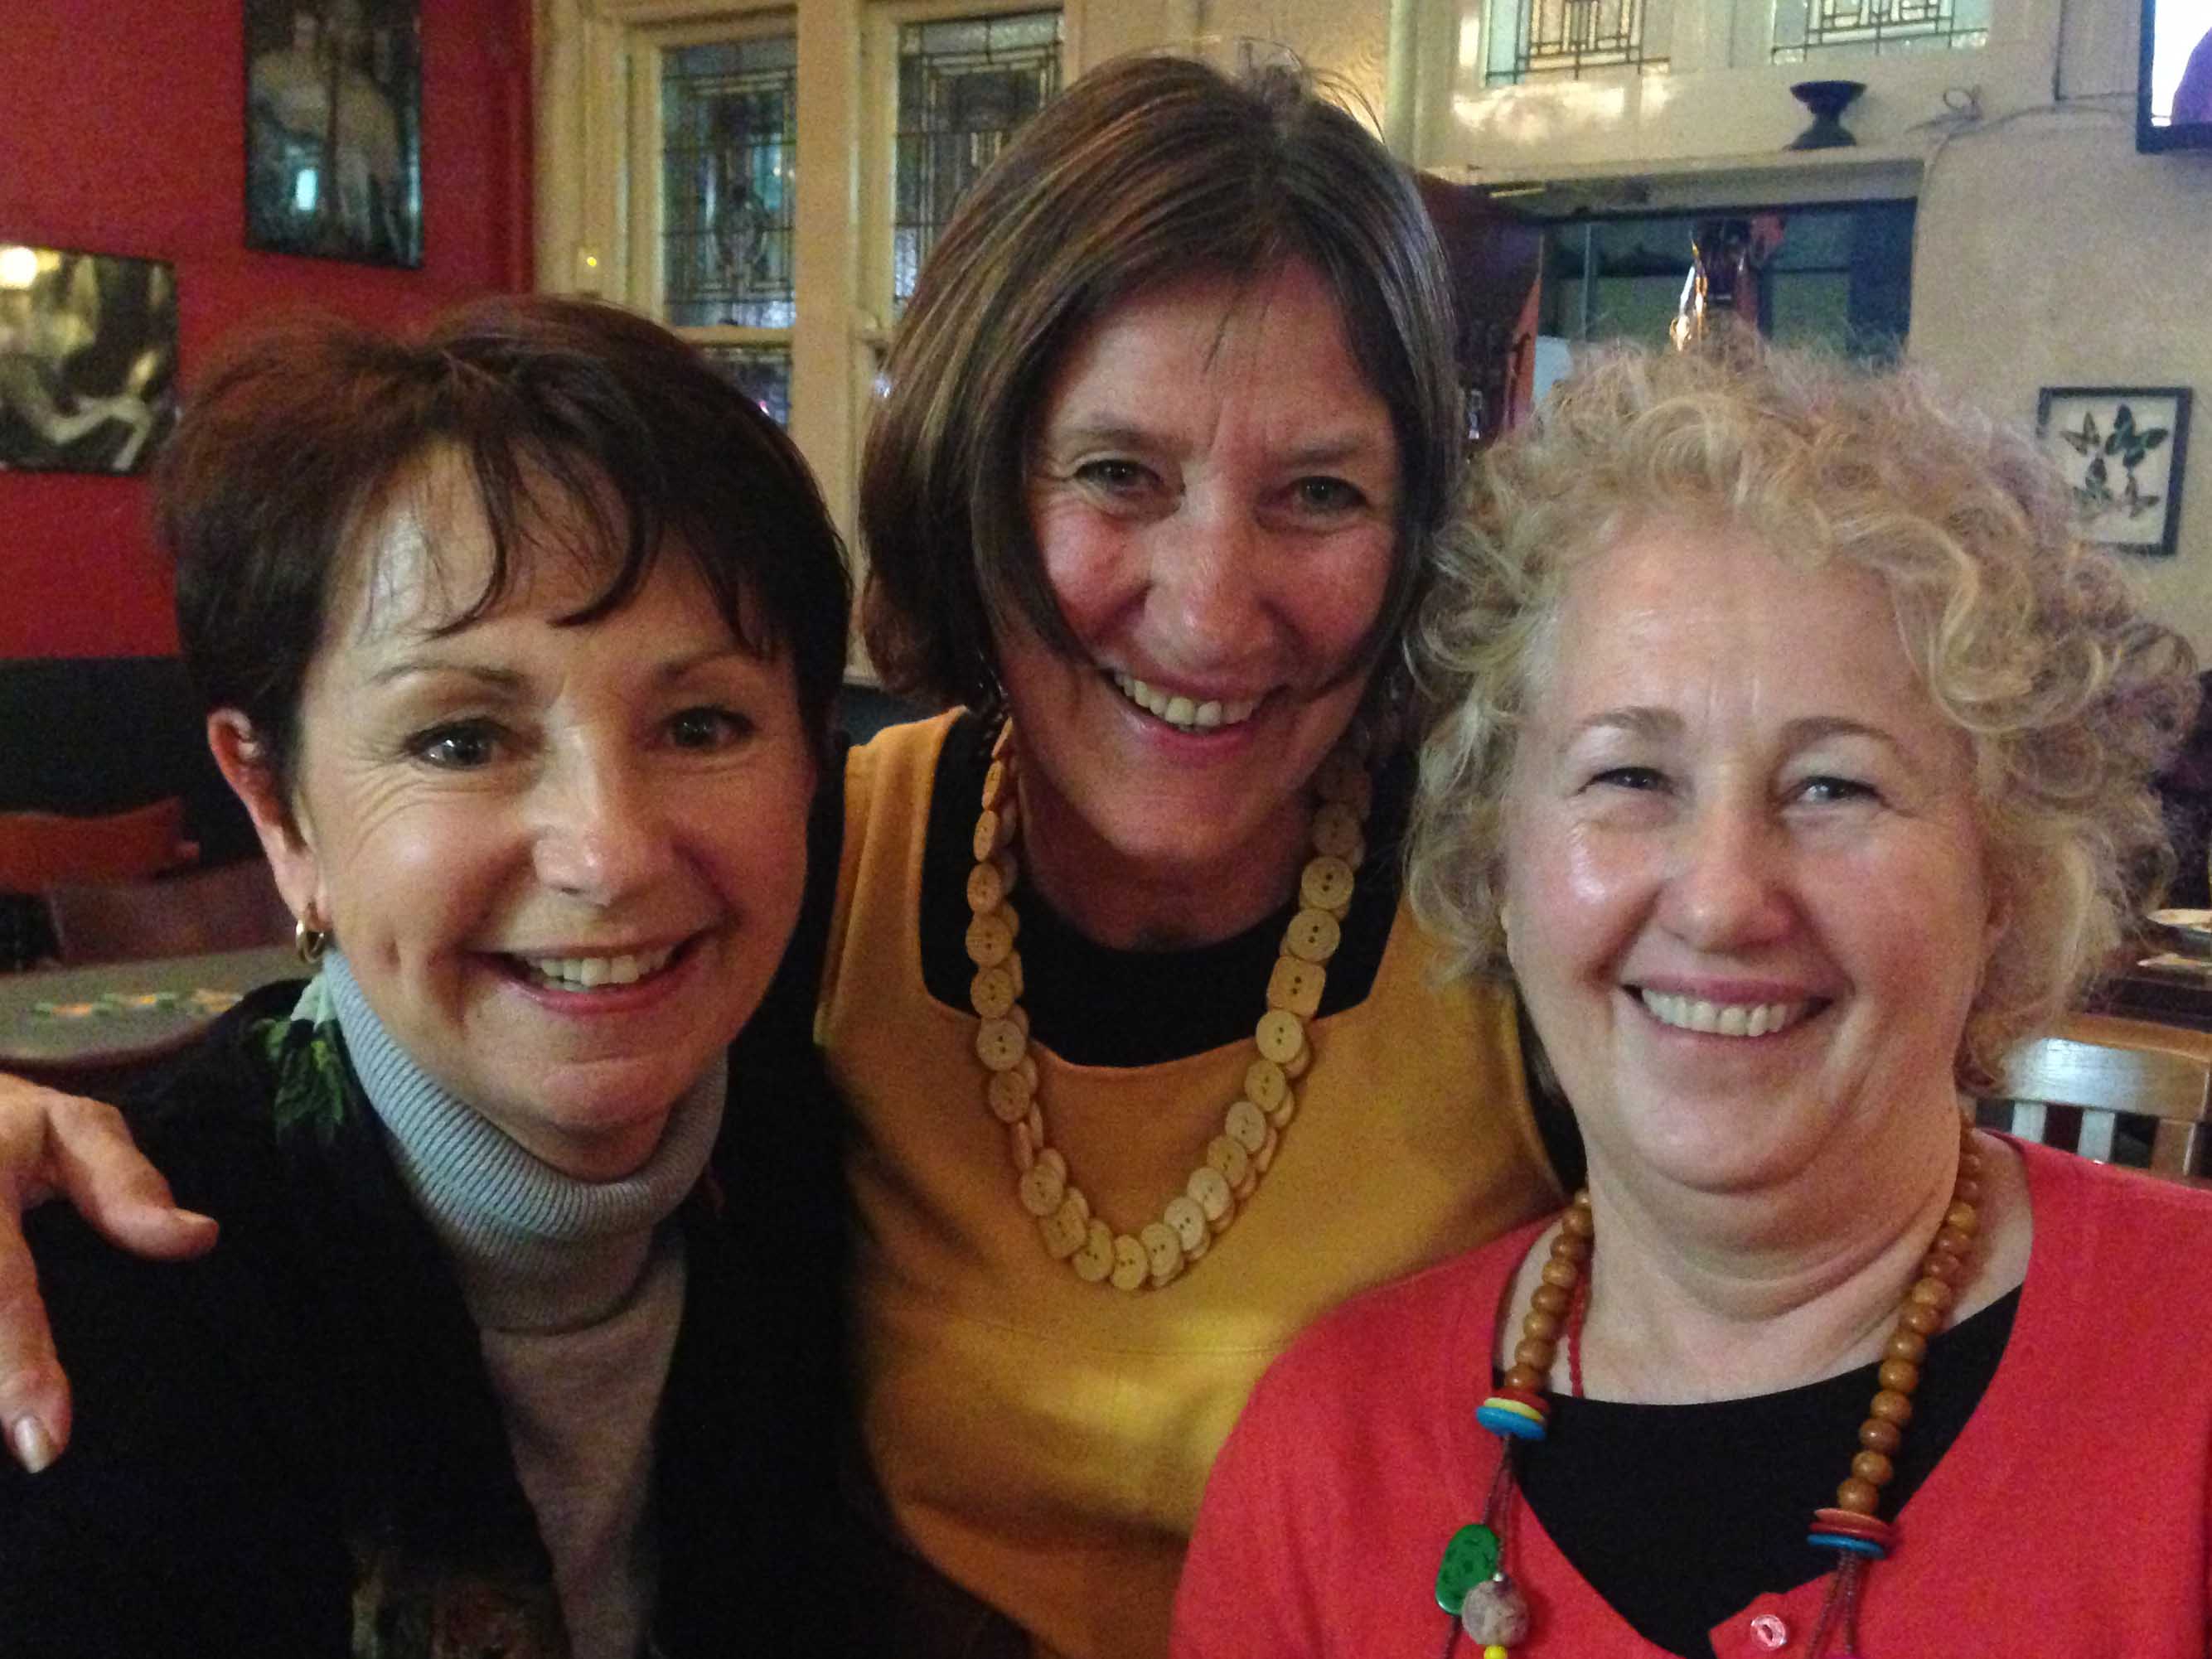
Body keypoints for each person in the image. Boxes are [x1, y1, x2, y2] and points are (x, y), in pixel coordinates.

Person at [0, 56, 1568, 1659]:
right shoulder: (826, 882)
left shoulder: (1531, 911)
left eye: (1320, 492)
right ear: (971, 484)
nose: (1212, 607)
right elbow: (406, 1043)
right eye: (1115, 473)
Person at [1173, 344, 2212, 1657]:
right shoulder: (1324, 1455)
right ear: (1498, 861)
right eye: (1629, 777)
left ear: (2000, 876)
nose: (1721, 899)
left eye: (1832, 786)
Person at [0, 295, 859, 1657]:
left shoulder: (827, 1173)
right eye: (461, 739)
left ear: (810, 759)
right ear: (278, 808)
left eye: (701, 724)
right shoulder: (93, 1320)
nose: (607, 852)